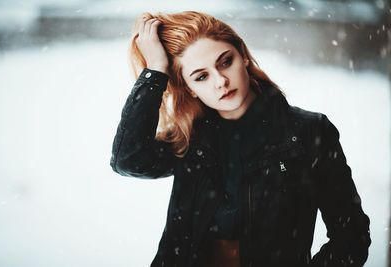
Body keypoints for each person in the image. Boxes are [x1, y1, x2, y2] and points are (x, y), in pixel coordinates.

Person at [110, 11, 371, 267]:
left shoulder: (308, 132)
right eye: (201, 76)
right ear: (190, 88)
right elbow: (129, 160)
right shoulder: (189, 138)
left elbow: (351, 236)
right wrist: (155, 72)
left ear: (243, 56)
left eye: (225, 62)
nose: (221, 81)